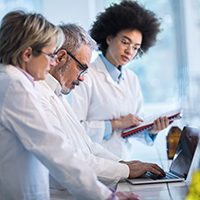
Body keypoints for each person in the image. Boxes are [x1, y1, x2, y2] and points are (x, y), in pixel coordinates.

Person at [0, 11, 140, 200]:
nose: (52, 62)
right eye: (50, 54)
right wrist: (107, 196)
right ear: (27, 54)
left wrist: (124, 167)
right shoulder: (16, 85)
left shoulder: (20, 83)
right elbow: (56, 151)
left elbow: (83, 146)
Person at [35, 23, 166, 198]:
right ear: (60, 58)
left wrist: (124, 164)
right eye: (81, 68)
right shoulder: (41, 93)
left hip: (103, 173)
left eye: (136, 47)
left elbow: (86, 145)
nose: (82, 78)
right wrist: (123, 169)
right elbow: (66, 157)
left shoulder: (57, 93)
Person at [71, 0, 170, 160]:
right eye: (125, 42)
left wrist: (152, 130)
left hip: (124, 165)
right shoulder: (86, 76)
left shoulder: (132, 79)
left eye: (136, 47)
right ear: (109, 38)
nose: (129, 51)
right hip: (95, 167)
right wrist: (116, 124)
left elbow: (133, 127)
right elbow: (74, 129)